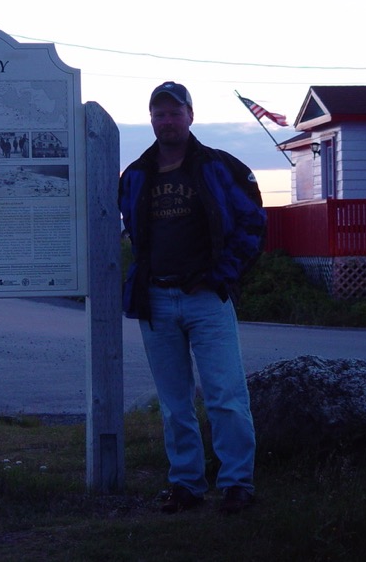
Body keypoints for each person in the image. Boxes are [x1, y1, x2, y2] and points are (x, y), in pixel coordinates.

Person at [118, 81, 266, 514]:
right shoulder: (137, 175)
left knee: (225, 396)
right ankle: (186, 484)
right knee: (174, 404)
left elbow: (252, 224)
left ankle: (237, 483)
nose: (167, 120)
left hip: (206, 299)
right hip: (156, 300)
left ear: (190, 114)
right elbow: (133, 233)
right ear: (151, 120)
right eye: (158, 114)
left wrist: (221, 275)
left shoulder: (221, 167)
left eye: (174, 112)